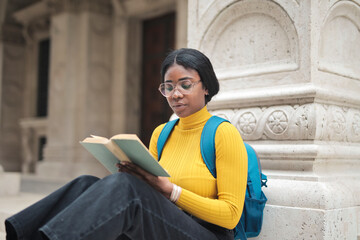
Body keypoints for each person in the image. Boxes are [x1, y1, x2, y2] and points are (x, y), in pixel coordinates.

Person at [5, 48, 248, 240]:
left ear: (205, 86)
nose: (175, 94)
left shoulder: (222, 133)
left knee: (125, 189)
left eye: (185, 84)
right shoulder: (161, 133)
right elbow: (153, 193)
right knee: (86, 184)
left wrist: (170, 191)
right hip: (165, 223)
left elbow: (230, 216)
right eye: (168, 87)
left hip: (204, 233)